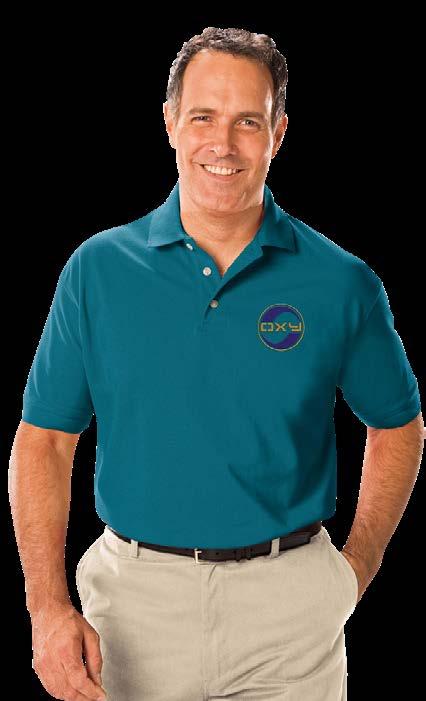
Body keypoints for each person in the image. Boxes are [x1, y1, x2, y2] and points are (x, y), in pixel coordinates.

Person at [10, 26, 423, 701]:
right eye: (203, 116)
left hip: (290, 610)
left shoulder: (341, 282)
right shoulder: (97, 271)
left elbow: (398, 424)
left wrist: (356, 566)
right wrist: (46, 607)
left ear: (278, 133)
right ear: (170, 122)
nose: (222, 144)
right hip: (132, 611)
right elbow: (46, 439)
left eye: (247, 122)